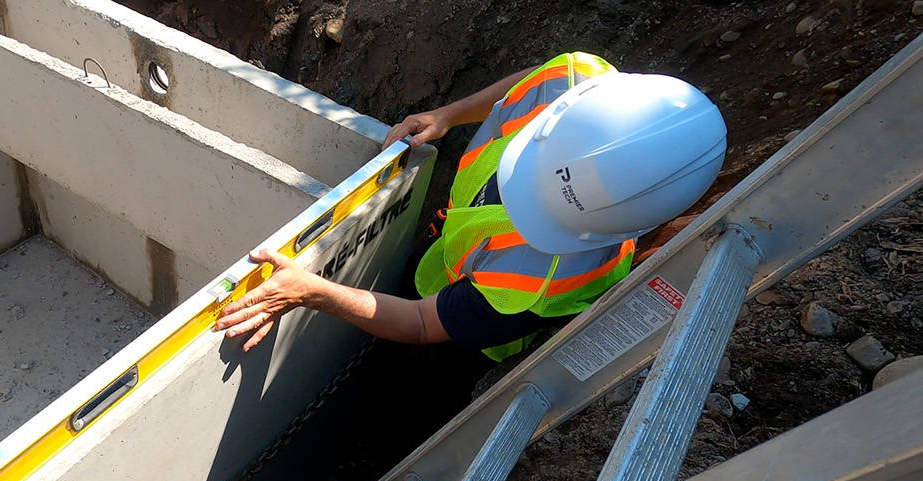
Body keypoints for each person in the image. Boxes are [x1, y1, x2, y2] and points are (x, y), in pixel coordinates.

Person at [214, 52, 726, 359]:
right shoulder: (576, 79)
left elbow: (419, 324)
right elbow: (530, 81)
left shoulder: (539, 286)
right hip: (448, 257)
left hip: (469, 337)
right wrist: (448, 114)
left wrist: (312, 292)